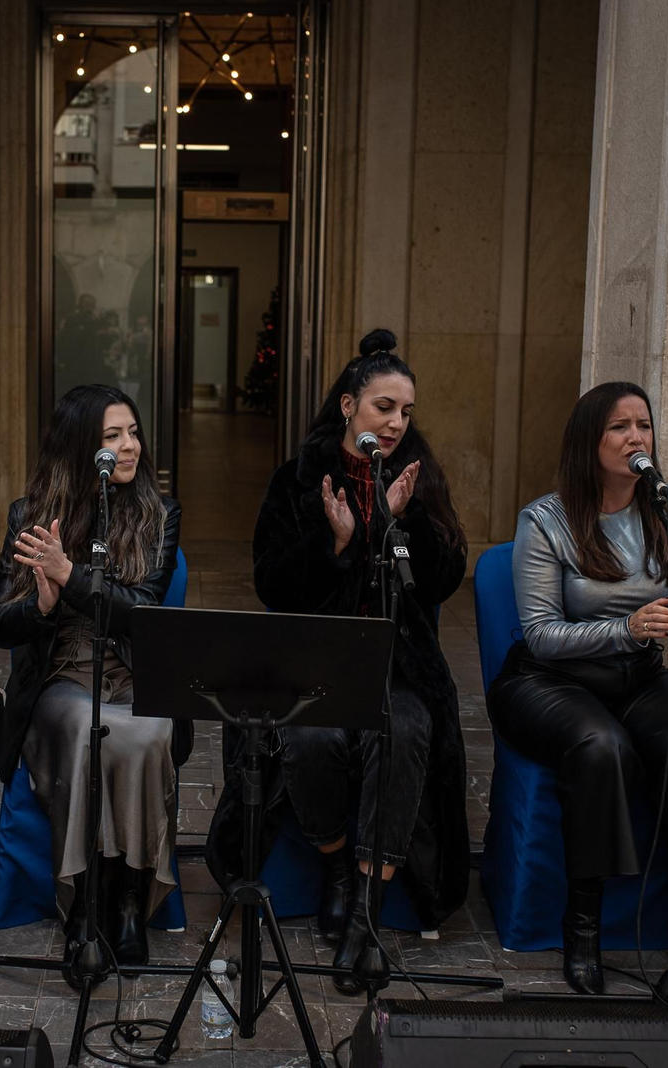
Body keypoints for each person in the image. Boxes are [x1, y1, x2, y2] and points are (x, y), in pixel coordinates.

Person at [488, 381, 668, 996]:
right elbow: (541, 634)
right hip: (551, 680)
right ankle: (584, 926)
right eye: (619, 428)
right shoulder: (546, 518)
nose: (636, 438)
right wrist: (626, 628)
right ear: (589, 442)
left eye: (643, 426)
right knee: (603, 748)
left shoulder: (662, 504)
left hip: (640, 674)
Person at [251, 329, 470, 994]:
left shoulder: (415, 476)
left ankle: (367, 916)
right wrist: (339, 545)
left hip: (397, 666)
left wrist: (397, 527)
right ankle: (338, 866)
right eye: (383, 407)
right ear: (349, 407)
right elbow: (272, 585)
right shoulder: (298, 480)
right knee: (312, 738)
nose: (397, 423)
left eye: (406, 411)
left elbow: (441, 580)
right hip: (315, 663)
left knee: (403, 731)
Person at [0, 383, 182, 970]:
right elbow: (0, 622)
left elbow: (144, 608)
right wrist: (42, 605)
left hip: (136, 674)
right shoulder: (29, 514)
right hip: (62, 679)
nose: (130, 447)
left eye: (133, 433)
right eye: (112, 437)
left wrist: (70, 576)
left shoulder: (160, 513)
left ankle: (128, 903)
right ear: (79, 448)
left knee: (144, 735)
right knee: (83, 728)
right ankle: (85, 902)